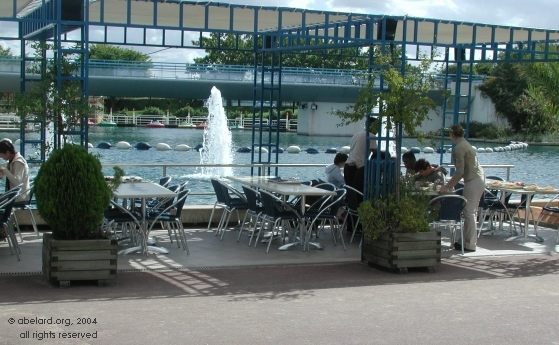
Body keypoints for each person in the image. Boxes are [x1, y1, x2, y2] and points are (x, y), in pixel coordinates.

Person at [438, 125, 485, 252]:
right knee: (471, 213)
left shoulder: (459, 148)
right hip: (479, 178)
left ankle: (469, 244)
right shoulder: (466, 144)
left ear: (452, 135)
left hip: (472, 180)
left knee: (468, 213)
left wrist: (447, 186)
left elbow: (459, 172)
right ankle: (466, 241)